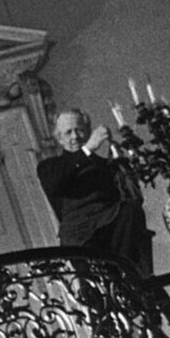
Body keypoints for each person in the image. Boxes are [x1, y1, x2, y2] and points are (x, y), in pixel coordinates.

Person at [37, 108, 153, 276]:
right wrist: (87, 149)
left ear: (88, 132)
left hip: (113, 232)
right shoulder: (49, 167)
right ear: (59, 138)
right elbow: (56, 183)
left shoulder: (107, 165)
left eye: (79, 130)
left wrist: (122, 164)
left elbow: (131, 195)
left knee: (132, 209)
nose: (75, 136)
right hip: (81, 239)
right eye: (68, 132)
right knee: (97, 290)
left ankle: (127, 274)